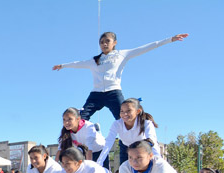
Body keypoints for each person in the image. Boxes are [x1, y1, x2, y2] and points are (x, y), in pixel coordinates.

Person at [52, 32, 188, 121]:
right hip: (96, 95)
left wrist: (170, 39)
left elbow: (147, 47)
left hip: (113, 93)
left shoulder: (122, 54)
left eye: (107, 41)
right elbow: (78, 63)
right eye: (101, 42)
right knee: (80, 119)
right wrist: (62, 65)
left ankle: (126, 156)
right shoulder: (94, 60)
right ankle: (76, 150)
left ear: (114, 43)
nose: (104, 44)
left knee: (124, 121)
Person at [96, 98, 161, 167]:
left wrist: (159, 162)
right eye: (122, 111)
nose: (125, 114)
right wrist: (99, 162)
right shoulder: (117, 124)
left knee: (143, 168)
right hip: (125, 148)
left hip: (142, 148)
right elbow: (108, 143)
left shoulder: (146, 123)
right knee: (124, 169)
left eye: (128, 111)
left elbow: (152, 141)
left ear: (138, 111)